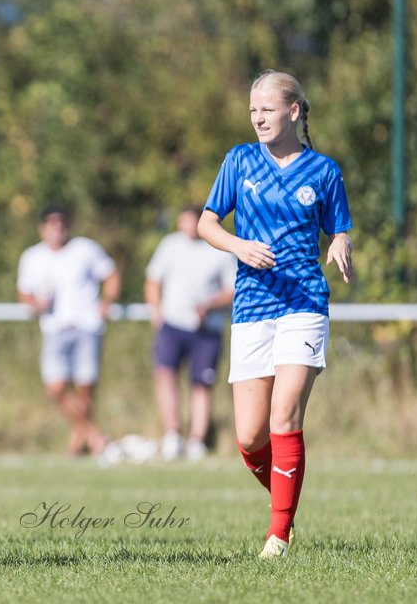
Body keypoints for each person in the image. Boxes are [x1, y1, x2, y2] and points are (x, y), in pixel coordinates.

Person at [199, 70, 352, 559]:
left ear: (293, 111)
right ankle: (287, 503)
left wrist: (341, 244)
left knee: (285, 414)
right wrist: (240, 246)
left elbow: (339, 228)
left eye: (266, 109)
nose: (257, 118)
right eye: (252, 111)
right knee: (248, 436)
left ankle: (278, 536)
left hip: (304, 302)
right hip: (251, 306)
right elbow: (207, 224)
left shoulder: (324, 171)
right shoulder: (239, 160)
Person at [16, 205, 120, 456]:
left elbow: (111, 275)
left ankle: (79, 440)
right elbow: (24, 294)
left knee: (85, 388)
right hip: (55, 328)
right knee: (55, 387)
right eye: (51, 224)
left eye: (60, 223)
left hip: (87, 326)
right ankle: (94, 435)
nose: (56, 229)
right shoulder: (32, 257)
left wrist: (107, 301)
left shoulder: (85, 249)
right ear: (42, 229)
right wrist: (37, 304)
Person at [144, 206, 237, 461]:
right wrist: (156, 311)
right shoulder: (170, 245)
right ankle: (173, 435)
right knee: (165, 376)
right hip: (172, 324)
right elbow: (153, 280)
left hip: (206, 329)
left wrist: (209, 304)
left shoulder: (219, 248)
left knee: (201, 384)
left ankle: (197, 439)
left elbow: (233, 289)